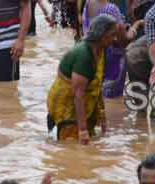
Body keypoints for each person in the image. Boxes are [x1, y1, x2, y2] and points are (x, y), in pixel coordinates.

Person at [45, 14, 117, 143]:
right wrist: (82, 130)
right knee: (71, 145)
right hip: (67, 105)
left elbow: (98, 83)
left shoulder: (101, 50)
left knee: (90, 143)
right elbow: (78, 95)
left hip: (85, 102)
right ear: (102, 35)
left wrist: (101, 113)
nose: (114, 38)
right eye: (112, 35)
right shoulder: (84, 55)